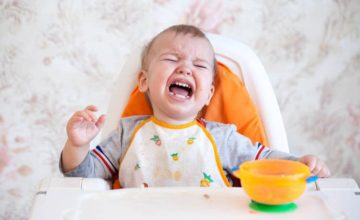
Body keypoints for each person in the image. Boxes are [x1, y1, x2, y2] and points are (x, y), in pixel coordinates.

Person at [60, 24, 330, 187]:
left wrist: (300, 165)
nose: (185, 68)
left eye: (199, 65)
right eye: (171, 59)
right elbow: (83, 177)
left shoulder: (222, 138)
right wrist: (77, 145)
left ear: (209, 94)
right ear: (143, 81)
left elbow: (266, 162)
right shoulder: (125, 135)